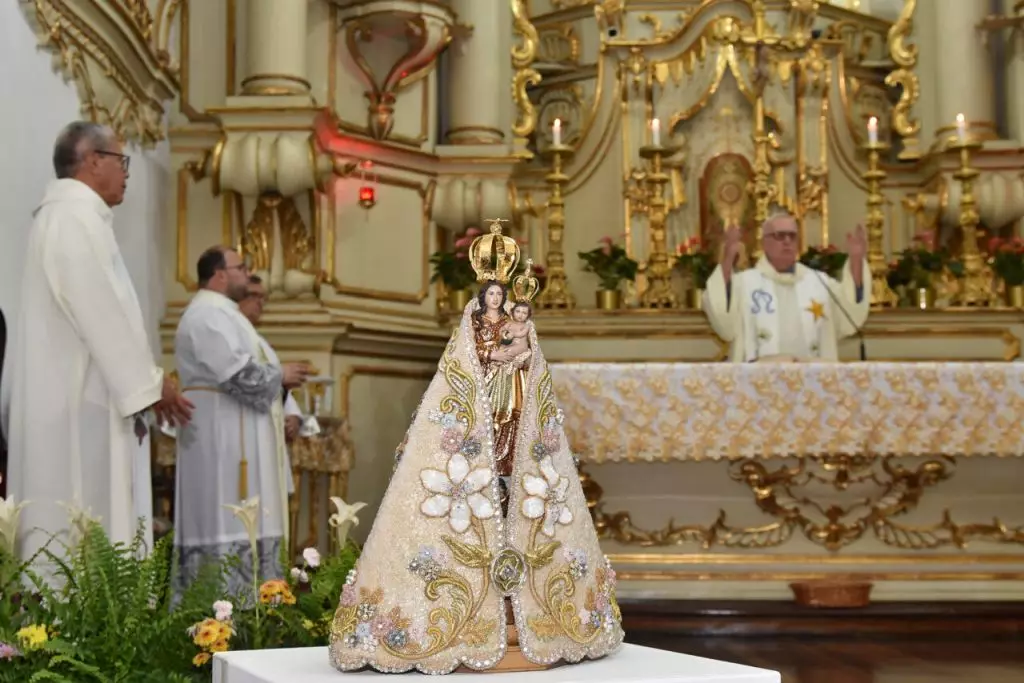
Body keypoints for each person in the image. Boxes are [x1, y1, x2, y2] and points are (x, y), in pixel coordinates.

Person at [329, 221, 623, 674]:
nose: (495, 302)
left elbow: (528, 361)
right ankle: (461, 618)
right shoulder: (472, 328)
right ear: (482, 295)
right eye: (490, 296)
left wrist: (517, 357)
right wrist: (496, 357)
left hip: (514, 403)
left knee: (515, 471)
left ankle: (537, 613)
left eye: (500, 298)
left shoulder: (518, 324)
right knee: (478, 478)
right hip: (480, 408)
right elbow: (467, 367)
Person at [1, 122, 193, 561]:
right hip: (79, 408)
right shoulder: (73, 219)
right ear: (92, 161)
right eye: (121, 162)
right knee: (83, 528)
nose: (127, 173)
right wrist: (149, 384)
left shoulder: (67, 218)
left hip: (75, 397)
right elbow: (100, 313)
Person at [172, 246, 309, 597]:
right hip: (222, 443)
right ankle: (221, 613)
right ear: (219, 274)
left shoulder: (228, 316)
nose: (247, 276)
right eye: (241, 268)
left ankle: (258, 610)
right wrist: (280, 375)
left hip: (239, 437)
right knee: (225, 521)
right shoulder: (207, 315)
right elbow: (238, 375)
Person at [703, 211, 870, 362]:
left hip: (813, 382)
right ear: (764, 243)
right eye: (780, 235)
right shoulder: (746, 283)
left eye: (792, 236)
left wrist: (856, 263)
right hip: (760, 383)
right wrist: (727, 259)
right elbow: (723, 319)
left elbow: (850, 313)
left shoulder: (819, 283)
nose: (787, 241)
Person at [238, 275, 303, 442]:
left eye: (263, 297)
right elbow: (244, 378)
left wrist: (292, 415)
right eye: (254, 296)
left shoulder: (261, 344)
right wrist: (282, 375)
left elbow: (273, 382)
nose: (260, 303)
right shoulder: (231, 336)